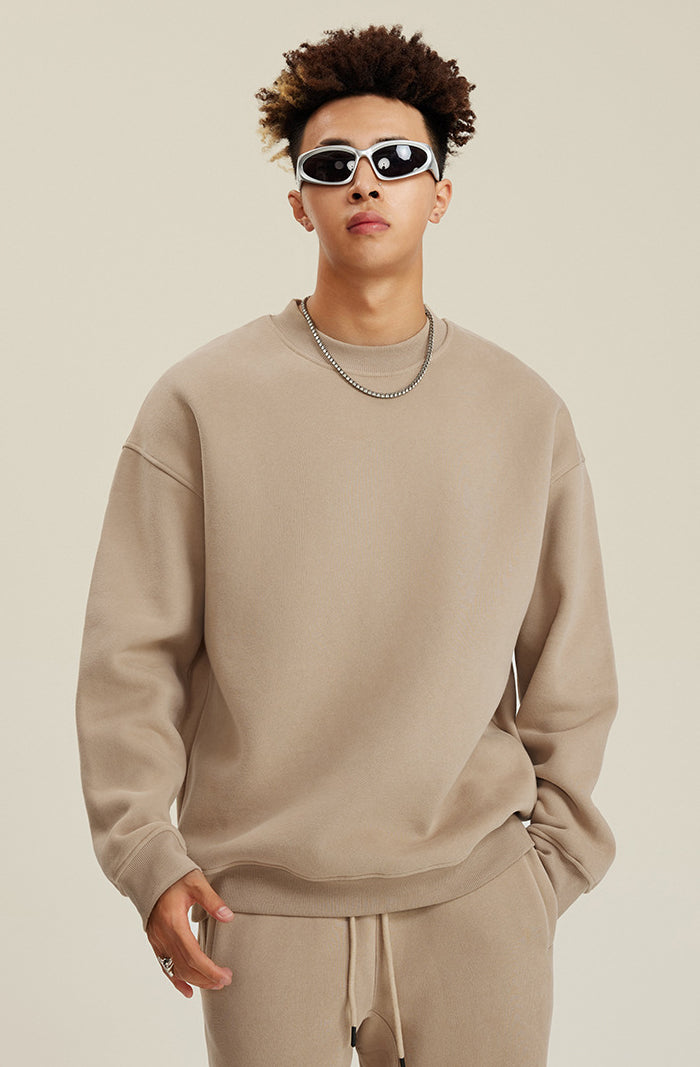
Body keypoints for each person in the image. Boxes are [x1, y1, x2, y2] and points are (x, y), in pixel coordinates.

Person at [75, 24, 618, 1067]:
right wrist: (146, 851)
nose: (365, 182)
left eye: (397, 159)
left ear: (439, 193)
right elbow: (130, 656)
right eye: (332, 165)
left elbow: (571, 662)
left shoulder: (523, 412)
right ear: (300, 201)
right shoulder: (200, 402)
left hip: (477, 899)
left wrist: (548, 867)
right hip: (262, 911)